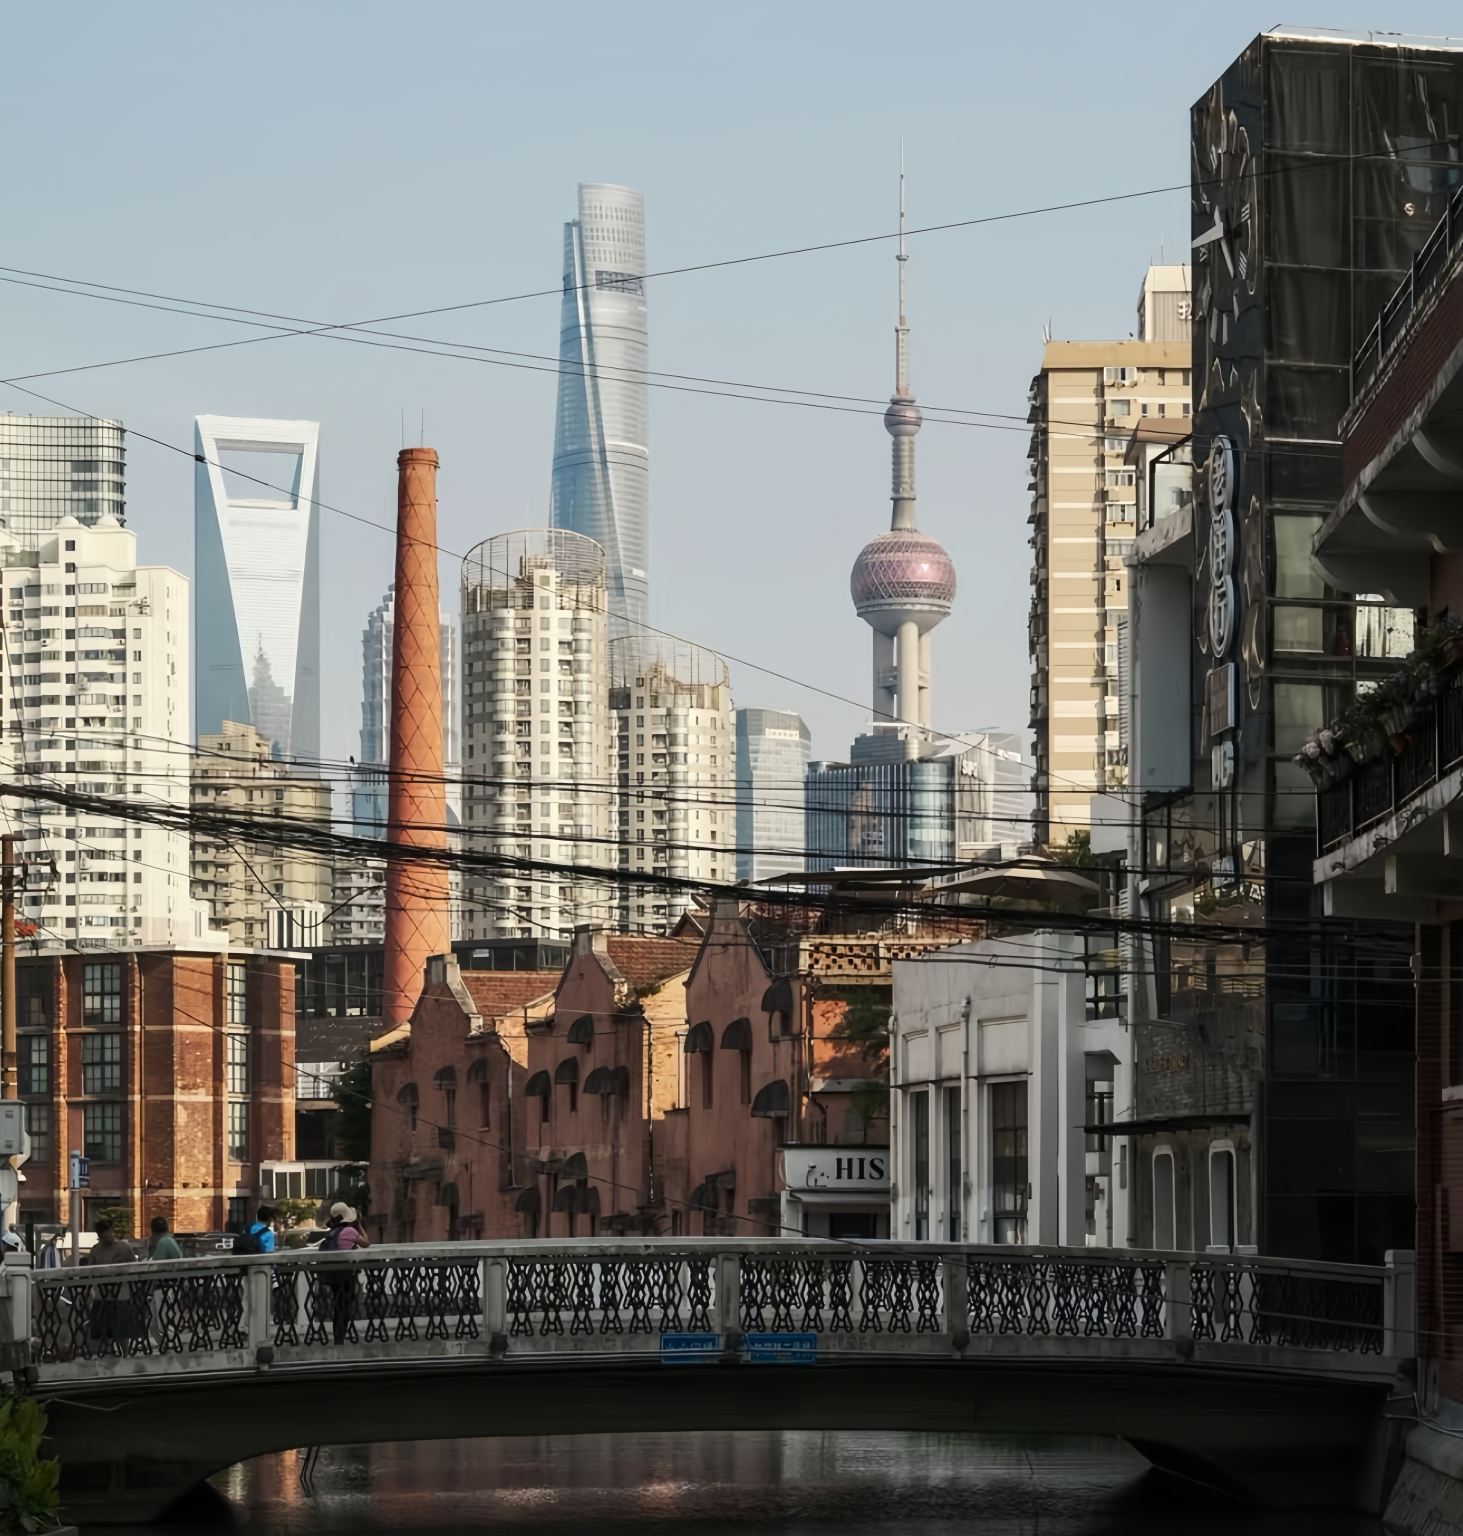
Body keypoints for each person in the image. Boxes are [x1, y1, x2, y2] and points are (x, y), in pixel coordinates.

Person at [319, 1203, 369, 1345]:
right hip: (347, 1275)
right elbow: (366, 1243)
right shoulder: (349, 1231)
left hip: (334, 1275)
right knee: (345, 1306)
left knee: (338, 1306)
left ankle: (337, 1338)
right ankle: (340, 1338)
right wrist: (359, 1225)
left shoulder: (332, 1232)